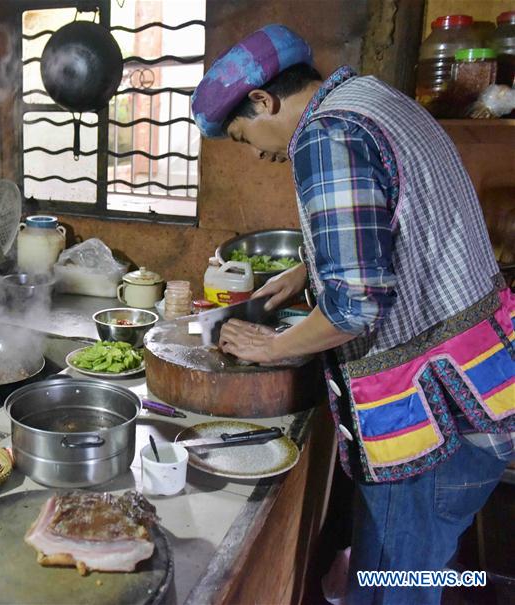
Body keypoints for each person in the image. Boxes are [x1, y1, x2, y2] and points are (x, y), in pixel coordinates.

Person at [191, 25, 514, 604]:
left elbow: (356, 307)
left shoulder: (325, 135)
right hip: (485, 389)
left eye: (245, 138)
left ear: (263, 100)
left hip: (428, 416)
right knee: (419, 569)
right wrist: (305, 274)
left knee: (395, 582)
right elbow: (396, 226)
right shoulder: (375, 100)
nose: (261, 155)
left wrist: (271, 347)